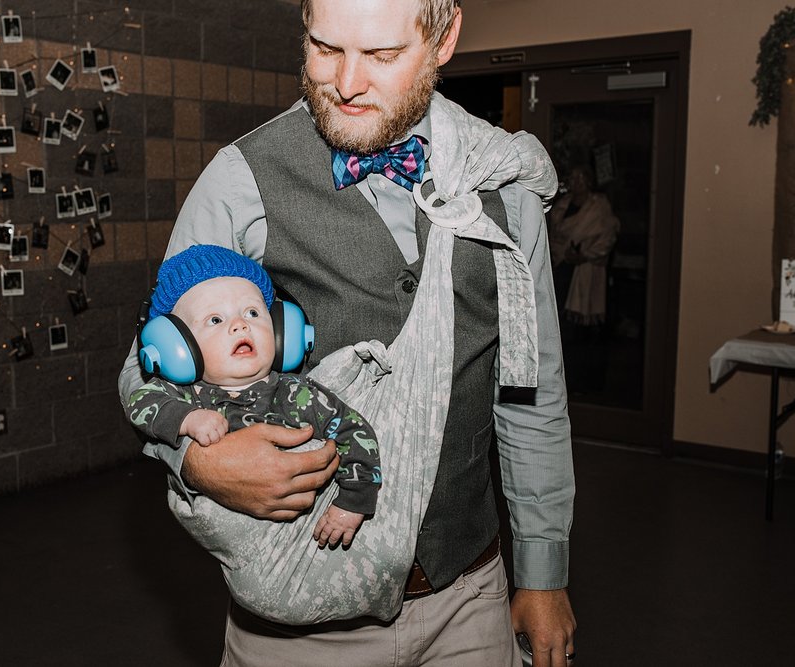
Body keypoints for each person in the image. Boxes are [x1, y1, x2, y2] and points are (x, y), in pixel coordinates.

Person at [117, 0, 576, 664]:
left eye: (383, 56)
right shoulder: (243, 178)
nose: (347, 82)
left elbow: (532, 393)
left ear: (445, 39)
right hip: (302, 618)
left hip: (469, 598)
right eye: (324, 48)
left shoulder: (504, 182)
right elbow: (150, 362)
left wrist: (543, 570)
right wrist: (199, 460)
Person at [131, 244, 381, 548]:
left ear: (281, 331)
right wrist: (187, 418)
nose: (240, 324)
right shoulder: (184, 396)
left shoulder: (297, 394)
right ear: (177, 348)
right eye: (215, 320)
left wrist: (353, 502)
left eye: (252, 312)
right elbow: (140, 403)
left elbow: (355, 432)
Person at [548, 164, 620, 394]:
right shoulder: (561, 206)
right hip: (561, 269)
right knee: (561, 327)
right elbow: (554, 237)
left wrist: (584, 255)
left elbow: (607, 235)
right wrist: (565, 254)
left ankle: (587, 384)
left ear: (589, 181)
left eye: (581, 177)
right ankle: (563, 381)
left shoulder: (598, 207)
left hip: (586, 273)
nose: (577, 181)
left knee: (583, 334)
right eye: (573, 177)